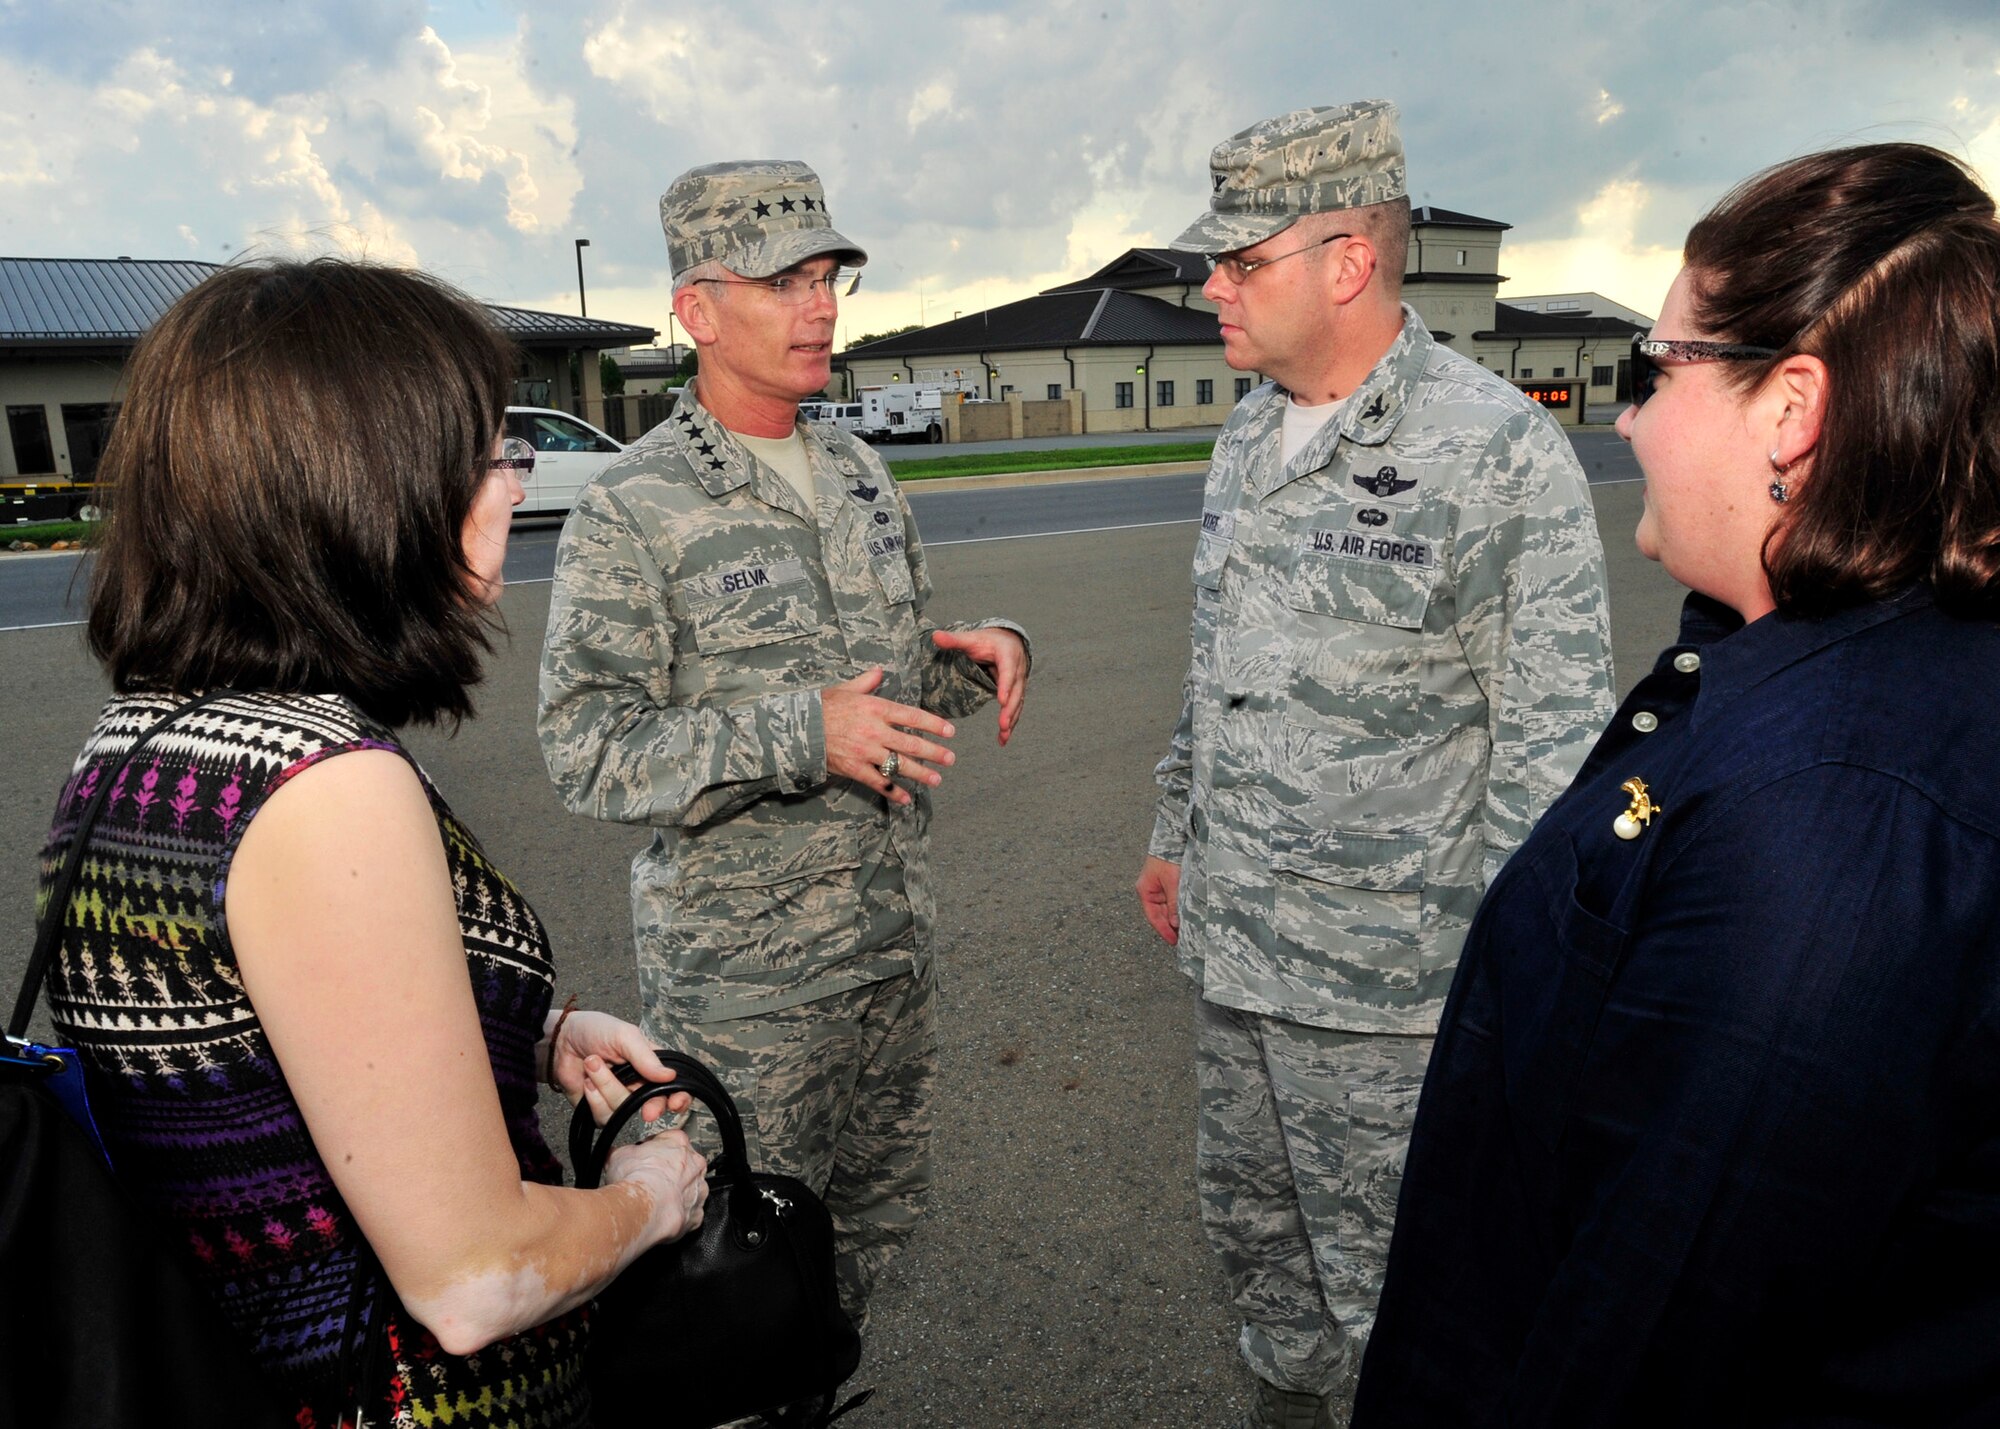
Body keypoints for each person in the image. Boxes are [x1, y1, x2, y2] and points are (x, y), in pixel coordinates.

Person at [1354, 141, 2000, 1427]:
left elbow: (1657, 1328)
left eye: (1658, 369)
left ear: (1791, 407)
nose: (1628, 413)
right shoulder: (1834, 667)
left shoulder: (1831, 820)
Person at [40, 259, 710, 1427]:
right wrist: (649, 1195)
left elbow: (254, 1040)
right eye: (491, 448)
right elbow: (474, 1279)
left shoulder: (147, 736)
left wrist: (518, 1027)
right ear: (378, 485)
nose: (513, 480)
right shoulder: (325, 786)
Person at [1134, 101, 1615, 1429]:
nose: (1211, 287)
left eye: (1242, 262)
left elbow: (1550, 754)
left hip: (1394, 1013)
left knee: (1411, 1319)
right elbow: (1215, 670)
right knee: (1271, 1297)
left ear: (1347, 261)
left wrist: (1505, 1000)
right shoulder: (1247, 435)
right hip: (1240, 969)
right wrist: (1175, 828)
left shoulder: (1497, 456)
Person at [537, 160, 1030, 1335]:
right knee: (727, 1273)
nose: (820, 307)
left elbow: (889, 680)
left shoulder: (857, 473)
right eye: (783, 283)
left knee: (860, 1244)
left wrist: (984, 651)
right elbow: (586, 746)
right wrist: (802, 731)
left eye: (826, 278)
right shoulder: (632, 508)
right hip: (749, 993)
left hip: (888, 955)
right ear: (698, 310)